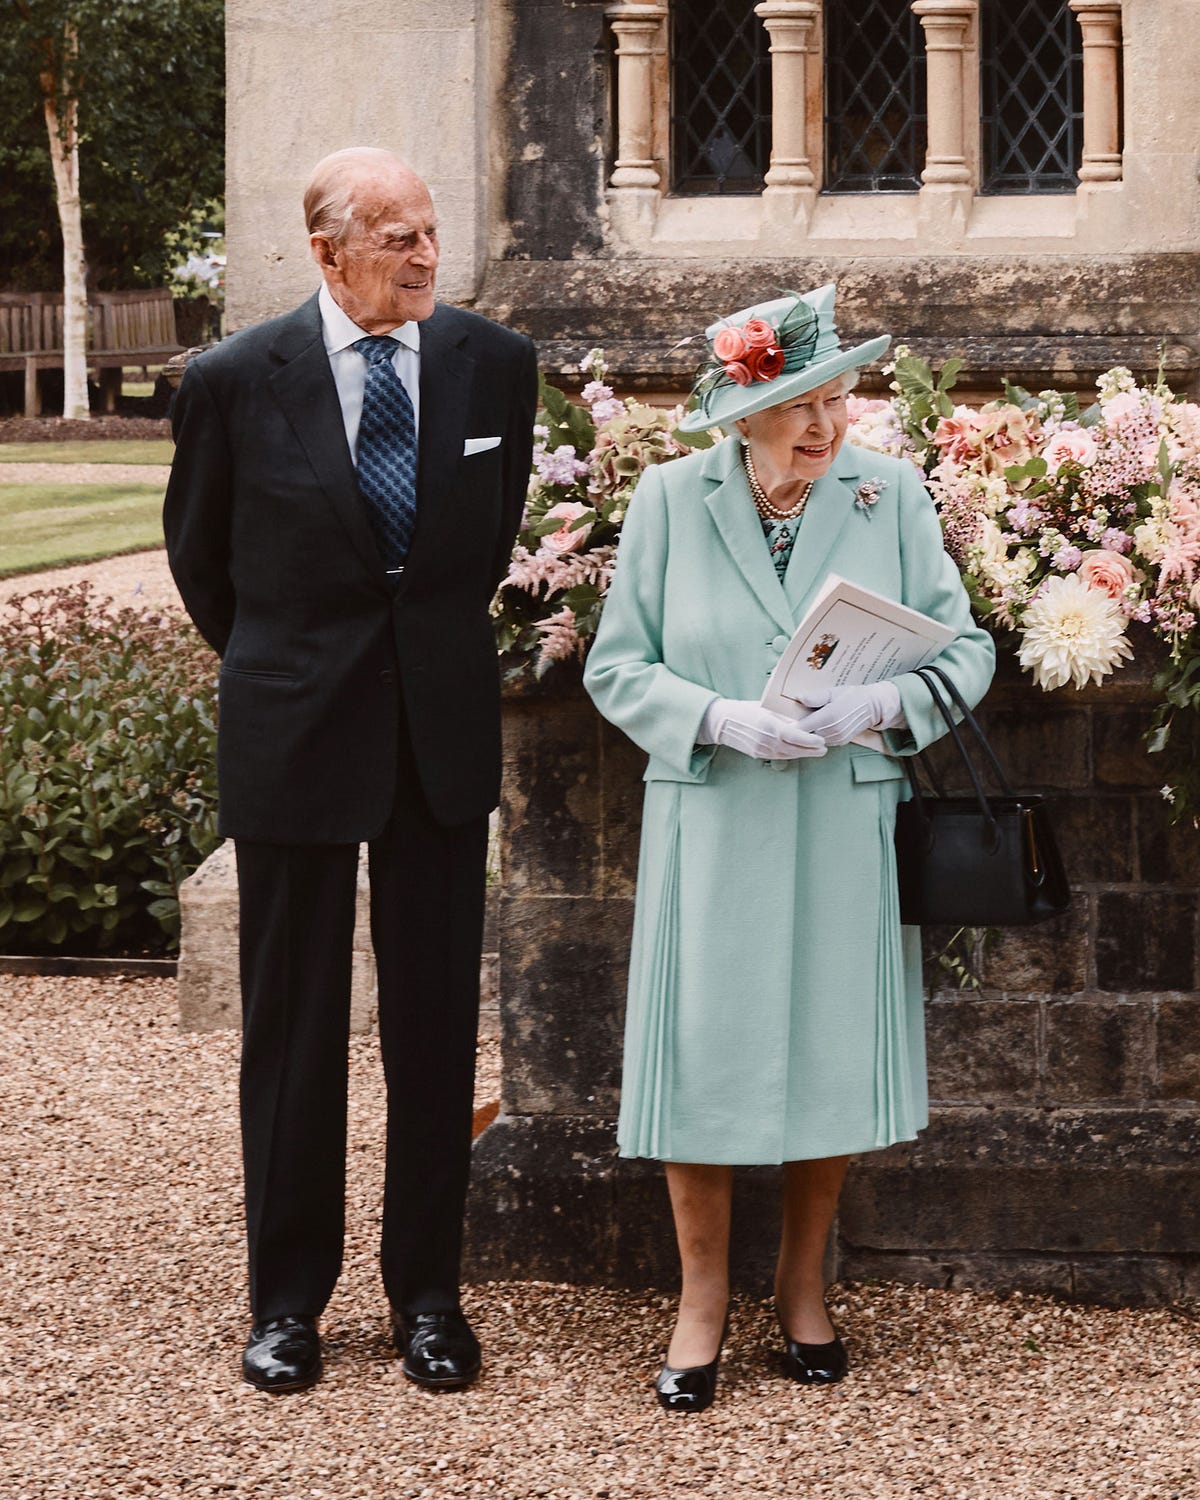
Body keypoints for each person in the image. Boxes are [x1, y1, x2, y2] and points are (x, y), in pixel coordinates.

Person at [163, 147, 537, 1393]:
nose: (428, 256)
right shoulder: (230, 381)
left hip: (437, 740)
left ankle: (429, 1294)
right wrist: (299, 669)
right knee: (293, 1029)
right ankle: (286, 1304)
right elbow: (204, 568)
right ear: (326, 253)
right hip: (292, 731)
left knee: (434, 1030)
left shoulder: (497, 366)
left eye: (431, 232)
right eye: (398, 238)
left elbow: (478, 553)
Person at [583, 285, 995, 1413]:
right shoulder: (670, 499)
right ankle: (701, 1299)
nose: (826, 423)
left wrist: (882, 708)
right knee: (700, 1054)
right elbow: (617, 667)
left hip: (841, 809)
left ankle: (803, 1287)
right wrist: (717, 719)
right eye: (798, 403)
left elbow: (965, 654)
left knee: (824, 1047)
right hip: (712, 809)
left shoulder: (890, 494)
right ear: (740, 411)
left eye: (837, 396)